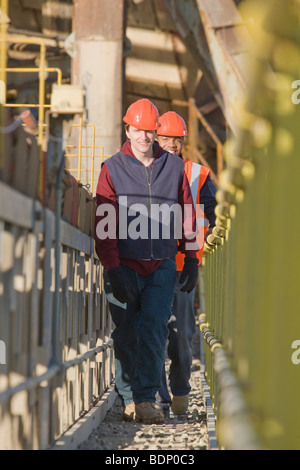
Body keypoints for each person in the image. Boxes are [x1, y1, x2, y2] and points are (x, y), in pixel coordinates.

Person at [94, 99, 200, 425]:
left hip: (161, 266)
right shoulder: (111, 169)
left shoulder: (174, 167)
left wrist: (192, 257)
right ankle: (127, 397)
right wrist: (113, 267)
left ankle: (144, 399)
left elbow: (187, 213)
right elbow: (104, 223)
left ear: (156, 132)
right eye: (138, 131)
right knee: (126, 334)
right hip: (123, 265)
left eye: (149, 132)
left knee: (154, 330)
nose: (144, 137)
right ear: (128, 130)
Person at [156, 111, 217, 415]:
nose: (171, 144)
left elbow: (215, 213)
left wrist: (210, 239)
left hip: (183, 265)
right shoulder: (141, 171)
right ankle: (158, 398)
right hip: (149, 263)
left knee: (182, 333)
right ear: (154, 138)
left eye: (176, 139)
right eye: (164, 138)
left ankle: (179, 393)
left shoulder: (198, 174)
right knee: (152, 330)